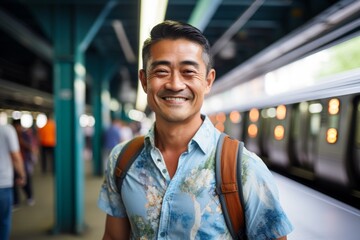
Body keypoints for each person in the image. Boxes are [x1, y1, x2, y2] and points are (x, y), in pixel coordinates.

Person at [98, 20, 294, 239]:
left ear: (208, 81)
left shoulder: (244, 169)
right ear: (144, 81)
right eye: (162, 71)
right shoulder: (122, 160)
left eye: (188, 72)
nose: (175, 84)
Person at [0, 124, 26, 240]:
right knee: (3, 221)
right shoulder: (7, 130)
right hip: (3, 183)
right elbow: (15, 156)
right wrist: (21, 174)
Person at [12, 119, 35, 206]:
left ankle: (30, 196)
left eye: (18, 126)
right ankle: (16, 200)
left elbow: (31, 147)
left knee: (26, 180)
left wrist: (22, 142)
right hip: (13, 162)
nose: (17, 128)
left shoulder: (25, 135)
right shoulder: (11, 136)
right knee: (14, 181)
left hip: (24, 160)